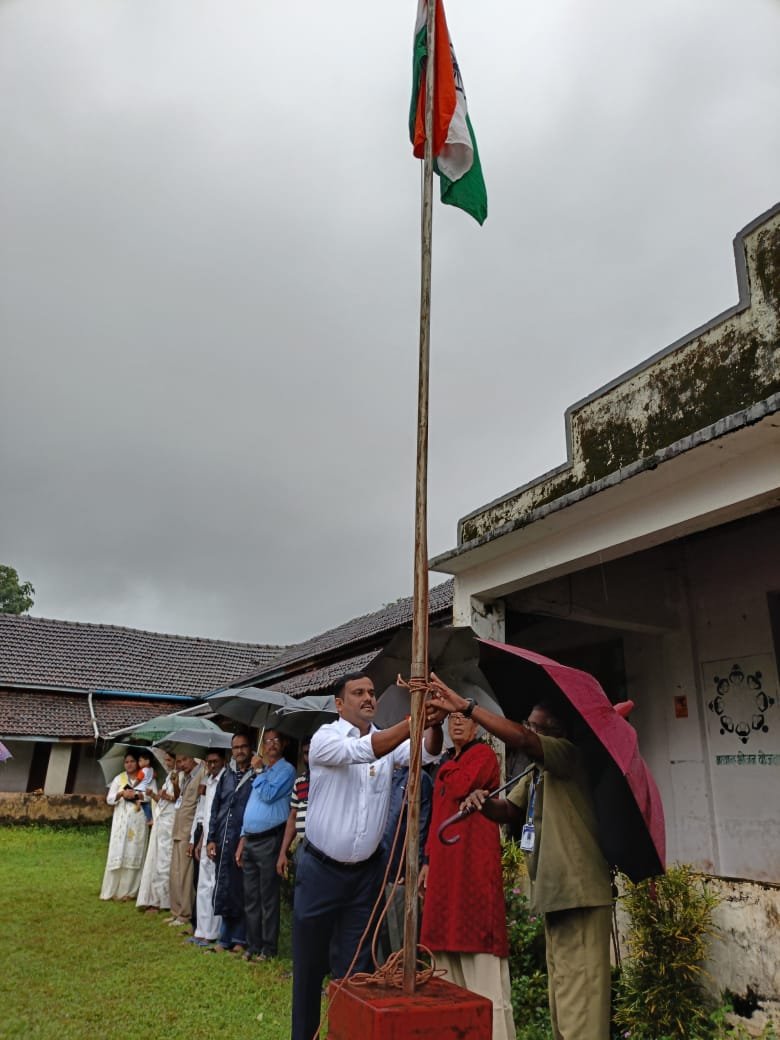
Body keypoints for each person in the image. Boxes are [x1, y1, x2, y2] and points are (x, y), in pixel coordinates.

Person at [429, 674, 613, 1040]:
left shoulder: (567, 754)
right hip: (556, 893)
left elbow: (524, 740)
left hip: (580, 892)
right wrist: (483, 804)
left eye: (535, 726)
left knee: (582, 1005)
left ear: (555, 731)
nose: (527, 730)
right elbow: (509, 812)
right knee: (563, 999)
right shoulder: (538, 772)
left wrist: (468, 708)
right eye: (528, 723)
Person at [290, 672, 443, 1040]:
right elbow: (365, 750)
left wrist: (432, 723)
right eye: (358, 693)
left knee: (354, 969)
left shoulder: (390, 738)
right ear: (339, 704)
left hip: (365, 876)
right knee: (310, 969)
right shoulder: (325, 739)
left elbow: (428, 752)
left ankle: (343, 1033)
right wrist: (413, 720)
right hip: (320, 871)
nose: (368, 698)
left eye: (372, 692)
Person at [419, 711, 515, 1040]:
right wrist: (427, 861)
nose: (457, 723)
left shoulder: (484, 755)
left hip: (473, 871)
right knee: (445, 963)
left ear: (476, 725)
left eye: (464, 718)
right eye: (452, 719)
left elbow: (461, 784)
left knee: (482, 967)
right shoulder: (446, 760)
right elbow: (434, 820)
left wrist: (443, 769)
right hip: (444, 871)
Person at [235, 729, 296, 961]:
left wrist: (259, 771)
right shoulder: (262, 771)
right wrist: (242, 839)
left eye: (276, 740)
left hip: (270, 839)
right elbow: (252, 806)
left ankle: (268, 948)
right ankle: (253, 944)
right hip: (251, 838)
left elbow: (269, 795)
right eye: (267, 741)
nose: (270, 745)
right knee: (250, 897)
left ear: (284, 743)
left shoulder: (286, 770)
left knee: (268, 897)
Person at [376, 763, 433, 961]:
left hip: (398, 871)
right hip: (372, 867)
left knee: (397, 933)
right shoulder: (378, 771)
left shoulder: (418, 777)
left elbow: (421, 824)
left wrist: (413, 865)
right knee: (374, 929)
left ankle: (395, 976)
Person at [206, 731, 255, 953]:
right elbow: (215, 807)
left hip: (242, 839)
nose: (240, 751)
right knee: (223, 886)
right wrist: (210, 839)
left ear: (250, 748)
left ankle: (240, 939)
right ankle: (224, 938)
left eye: (243, 747)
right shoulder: (227, 775)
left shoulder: (257, 774)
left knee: (241, 889)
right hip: (223, 838)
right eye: (236, 748)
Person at [186, 748, 226, 945]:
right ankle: (200, 930)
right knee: (202, 885)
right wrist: (200, 838)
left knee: (213, 885)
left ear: (223, 761)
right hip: (206, 836)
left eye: (215, 761)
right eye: (208, 762)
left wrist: (213, 839)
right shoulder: (208, 781)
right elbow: (204, 813)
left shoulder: (226, 781)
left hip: (218, 839)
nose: (211, 765)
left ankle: (212, 932)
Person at [100, 751, 150, 901]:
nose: (129, 764)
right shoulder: (119, 778)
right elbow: (109, 799)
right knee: (118, 851)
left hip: (138, 820)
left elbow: (150, 795)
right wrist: (121, 794)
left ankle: (129, 892)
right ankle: (112, 890)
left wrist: (137, 795)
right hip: (121, 822)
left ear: (138, 763)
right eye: (126, 762)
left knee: (134, 851)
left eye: (132, 761)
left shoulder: (146, 777)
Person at [136, 751, 179, 913]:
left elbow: (178, 798)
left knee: (165, 860)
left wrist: (167, 795)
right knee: (156, 858)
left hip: (170, 822)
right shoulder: (169, 777)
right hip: (161, 819)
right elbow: (161, 800)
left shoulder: (179, 777)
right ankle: (153, 897)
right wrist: (153, 794)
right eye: (166, 760)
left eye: (170, 759)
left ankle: (163, 900)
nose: (167, 763)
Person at [166, 754, 204, 927]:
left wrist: (192, 836)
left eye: (184, 760)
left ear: (194, 758)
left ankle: (185, 913)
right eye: (179, 761)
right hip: (177, 828)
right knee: (174, 872)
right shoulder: (185, 777)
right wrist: (175, 785)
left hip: (189, 830)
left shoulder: (202, 773)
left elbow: (200, 804)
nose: (181, 764)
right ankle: (176, 910)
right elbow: (178, 800)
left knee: (185, 875)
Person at [276, 738, 310, 880]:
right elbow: (293, 816)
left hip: (324, 848)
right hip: (303, 845)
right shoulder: (300, 781)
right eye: (306, 753)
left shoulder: (331, 779)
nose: (309, 757)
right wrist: (283, 852)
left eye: (313, 752)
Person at [134, 750, 156, 825]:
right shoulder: (152, 770)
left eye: (140, 760)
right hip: (146, 790)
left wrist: (133, 785)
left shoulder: (142, 771)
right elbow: (154, 776)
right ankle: (150, 818)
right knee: (146, 805)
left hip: (140, 789)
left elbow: (138, 780)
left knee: (133, 793)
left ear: (147, 761)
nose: (139, 763)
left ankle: (138, 802)